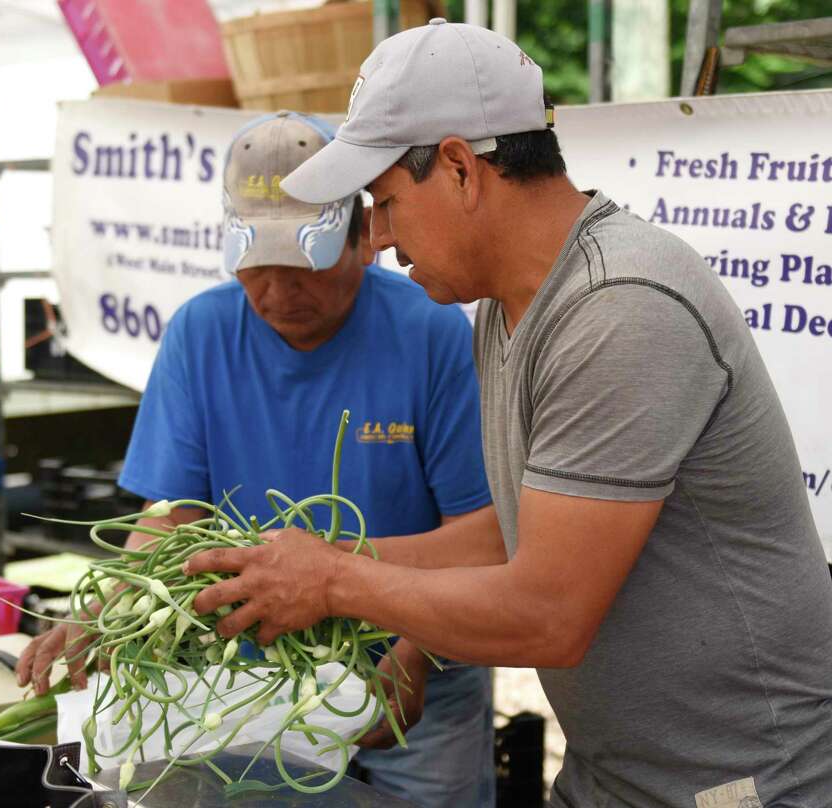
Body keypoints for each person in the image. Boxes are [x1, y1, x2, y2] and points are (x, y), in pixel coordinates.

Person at [182, 19, 832, 808]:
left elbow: (547, 614)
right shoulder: (502, 305)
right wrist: (319, 558)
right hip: (616, 775)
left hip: (738, 784)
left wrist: (332, 582)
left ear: (459, 167)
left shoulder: (622, 308)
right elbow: (506, 540)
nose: (379, 240)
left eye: (385, 202)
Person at [17, 110, 497, 808]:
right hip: (252, 679)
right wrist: (107, 614)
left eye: (303, 265)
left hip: (413, 673)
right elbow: (172, 516)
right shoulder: (200, 334)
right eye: (255, 266)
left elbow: (485, 537)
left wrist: (414, 649)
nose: (277, 294)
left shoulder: (432, 334)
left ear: (363, 235)